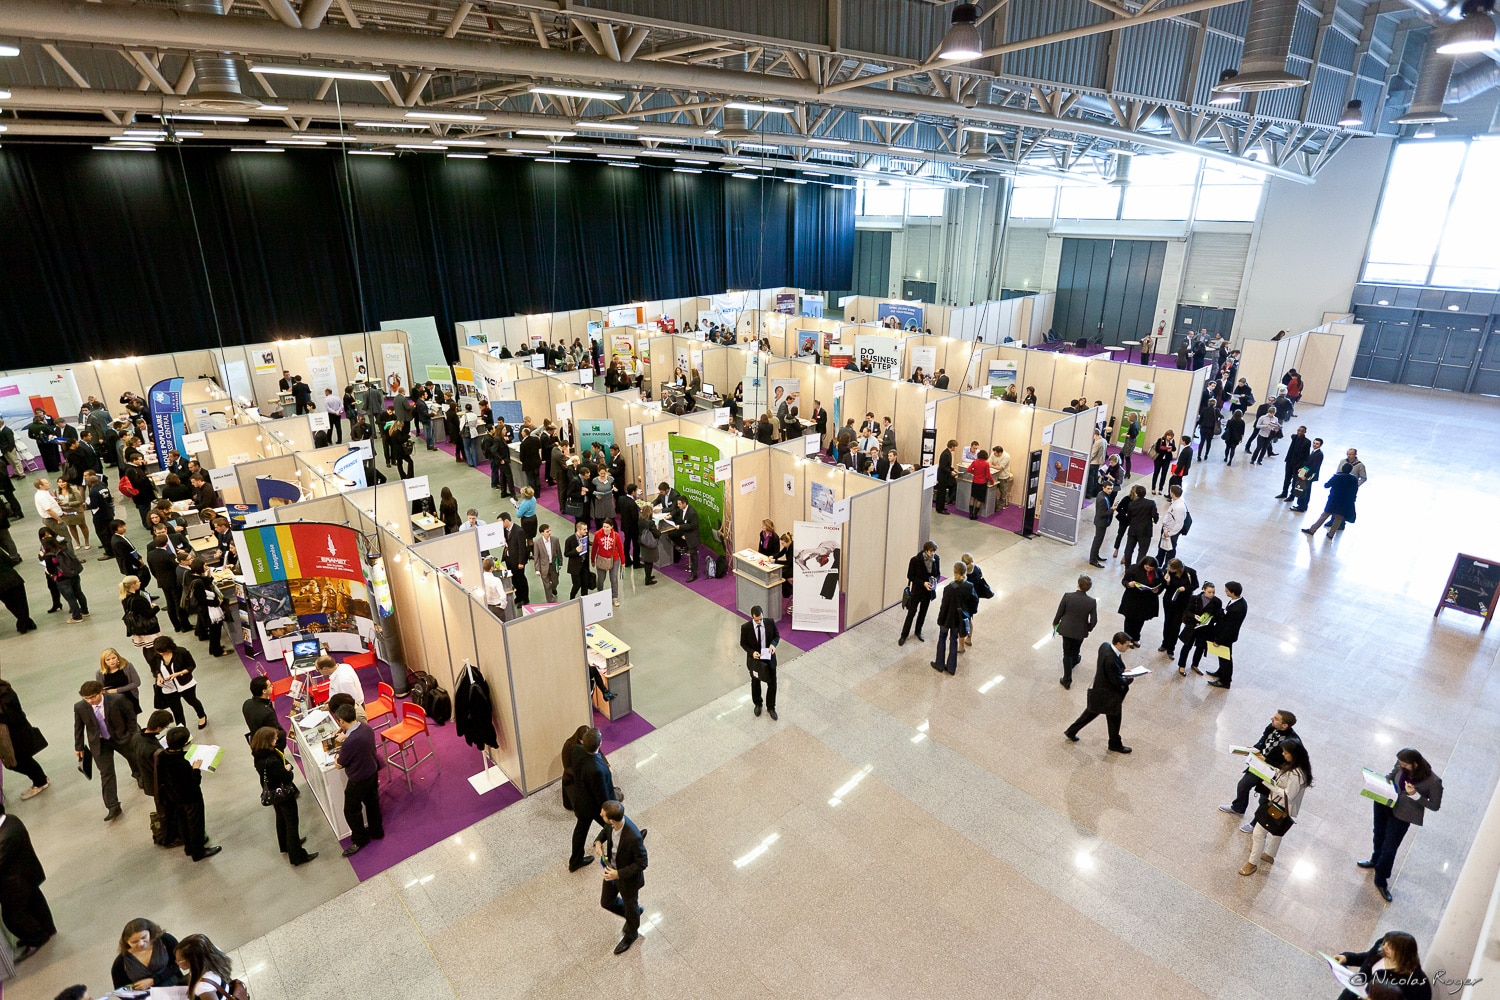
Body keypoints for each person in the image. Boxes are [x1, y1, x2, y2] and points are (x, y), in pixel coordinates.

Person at [1360, 748, 1444, 903]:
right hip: (1384, 803)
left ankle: (1381, 880)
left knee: (1390, 848)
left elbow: (1435, 805)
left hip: (1403, 814)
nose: (1401, 766)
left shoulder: (1433, 782)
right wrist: (1380, 782)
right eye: (1400, 763)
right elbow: (1392, 776)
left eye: (1405, 764)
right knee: (1378, 833)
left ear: (1415, 764)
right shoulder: (1401, 765)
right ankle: (1374, 859)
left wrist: (1415, 795)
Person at [1238, 737, 1312, 875]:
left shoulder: (1296, 774)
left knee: (1259, 833)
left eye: (1285, 752)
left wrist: (1270, 784)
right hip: (1282, 806)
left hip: (1280, 805)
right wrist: (1269, 770)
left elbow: (1289, 795)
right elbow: (1281, 774)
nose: (1283, 754)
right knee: (1277, 830)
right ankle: (1270, 855)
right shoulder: (1295, 766)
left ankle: (1252, 863)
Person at [73, 679, 143, 821]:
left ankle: (139, 775)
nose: (90, 701)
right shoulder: (80, 707)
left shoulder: (118, 699)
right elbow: (78, 727)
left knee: (133, 757)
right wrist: (78, 746)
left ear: (101, 692)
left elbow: (131, 717)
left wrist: (132, 735)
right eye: (86, 698)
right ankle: (113, 806)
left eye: (93, 697)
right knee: (106, 773)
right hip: (99, 742)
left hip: (121, 737)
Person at [1218, 710, 1300, 826]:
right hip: (1259, 765)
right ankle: (1238, 807)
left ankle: (1255, 824)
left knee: (1264, 799)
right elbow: (1263, 741)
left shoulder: (1292, 743)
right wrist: (1255, 748)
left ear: (1285, 725)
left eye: (1276, 719)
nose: (1272, 718)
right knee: (1243, 785)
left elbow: (1288, 765)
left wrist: (1266, 760)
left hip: (1274, 772)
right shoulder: (1272, 727)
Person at [252, 726, 317, 867]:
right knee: (292, 823)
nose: (277, 740)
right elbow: (286, 777)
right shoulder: (272, 761)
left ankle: (285, 845)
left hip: (273, 793)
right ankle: (297, 855)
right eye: (274, 738)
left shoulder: (258, 756)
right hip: (283, 794)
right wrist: (288, 770)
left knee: (281, 818)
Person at [0, 804, 56, 963]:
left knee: (12, 917)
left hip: (14, 885)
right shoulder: (11, 820)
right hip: (27, 875)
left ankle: (37, 938)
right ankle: (47, 929)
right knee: (35, 903)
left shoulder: (5, 837)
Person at [1063, 633, 1135, 753]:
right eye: (1127, 645)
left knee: (1091, 712)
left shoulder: (1105, 646)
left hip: (1099, 690)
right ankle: (1114, 744)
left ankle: (1071, 731)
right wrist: (1130, 678)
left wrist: (1122, 670)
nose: (1128, 648)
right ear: (1118, 644)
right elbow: (1117, 681)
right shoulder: (1111, 660)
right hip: (1109, 695)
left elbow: (1112, 670)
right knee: (1114, 719)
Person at [156, 725, 220, 860]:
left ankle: (189, 847)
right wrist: (196, 769)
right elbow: (193, 782)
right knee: (196, 824)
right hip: (190, 798)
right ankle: (198, 852)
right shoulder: (183, 762)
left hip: (174, 797)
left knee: (183, 822)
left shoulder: (162, 756)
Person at [594, 799, 648, 955]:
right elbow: (605, 830)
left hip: (627, 879)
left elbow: (642, 863)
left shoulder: (633, 837)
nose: (600, 815)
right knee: (606, 902)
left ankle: (632, 933)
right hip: (611, 871)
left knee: (630, 905)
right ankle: (634, 914)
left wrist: (618, 874)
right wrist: (598, 841)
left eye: (602, 815)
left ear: (612, 819)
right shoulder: (613, 824)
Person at [333, 702, 383, 856]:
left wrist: (336, 757)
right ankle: (376, 830)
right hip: (372, 771)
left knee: (351, 810)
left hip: (358, 779)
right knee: (372, 802)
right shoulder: (366, 728)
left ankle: (360, 838)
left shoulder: (350, 741)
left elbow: (339, 764)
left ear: (341, 721)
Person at [567, 727, 616, 871]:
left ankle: (575, 860)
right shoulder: (598, 770)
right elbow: (602, 796)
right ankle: (628, 846)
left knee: (581, 830)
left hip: (580, 799)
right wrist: (610, 811)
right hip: (594, 806)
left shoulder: (576, 750)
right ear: (600, 745)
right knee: (614, 826)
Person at [1330, 932, 1431, 999]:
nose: (1384, 946)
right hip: (1352, 993)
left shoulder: (1413, 982)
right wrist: (1348, 958)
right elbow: (1367, 957)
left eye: (1390, 946)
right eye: (1386, 941)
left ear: (1402, 953)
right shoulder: (1381, 949)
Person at [145, 636, 208, 729]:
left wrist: (180, 673)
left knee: (192, 701)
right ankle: (181, 729)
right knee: (176, 710)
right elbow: (155, 669)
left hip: (185, 683)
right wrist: (159, 676)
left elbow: (191, 665)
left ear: (169, 647)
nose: (161, 653)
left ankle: (202, 715)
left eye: (163, 651)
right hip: (168, 687)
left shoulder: (182, 652)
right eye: (159, 652)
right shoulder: (155, 656)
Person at [0, 680, 49, 798]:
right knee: (20, 761)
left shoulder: (6, 696)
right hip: (12, 735)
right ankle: (41, 779)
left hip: (17, 736)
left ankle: (41, 781)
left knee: (20, 762)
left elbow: (13, 718)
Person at [111, 917, 183, 990]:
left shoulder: (165, 940)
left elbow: (178, 963)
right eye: (134, 942)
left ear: (150, 932)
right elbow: (120, 990)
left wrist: (153, 981)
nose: (141, 944)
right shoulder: (120, 962)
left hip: (176, 987)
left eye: (144, 937)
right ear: (126, 942)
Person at [1052, 576, 1098, 690]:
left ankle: (1067, 679)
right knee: (1077, 645)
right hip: (1081, 631)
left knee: (1066, 652)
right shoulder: (1091, 601)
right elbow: (1094, 620)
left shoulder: (1068, 596)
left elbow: (1060, 612)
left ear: (1078, 584)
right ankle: (1075, 660)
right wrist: (1088, 628)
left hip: (1067, 629)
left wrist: (1055, 623)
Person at [740, 605, 780, 720]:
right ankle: (758, 703)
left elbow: (777, 636)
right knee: (755, 682)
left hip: (769, 658)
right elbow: (743, 643)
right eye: (756, 620)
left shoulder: (770, 623)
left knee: (772, 683)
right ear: (752, 617)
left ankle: (771, 707)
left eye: (760, 619)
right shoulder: (746, 628)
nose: (759, 622)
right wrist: (752, 653)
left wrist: (773, 644)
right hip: (755, 660)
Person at [931, 563, 972, 676]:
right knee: (954, 640)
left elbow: (944, 606)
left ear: (955, 572)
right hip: (958, 620)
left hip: (947, 619)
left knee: (942, 638)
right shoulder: (969, 586)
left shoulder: (949, 588)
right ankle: (951, 667)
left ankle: (939, 664)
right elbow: (971, 603)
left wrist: (940, 620)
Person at [1301, 461, 1360, 538]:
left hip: (1334, 500)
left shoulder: (1337, 477)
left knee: (1325, 515)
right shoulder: (1354, 479)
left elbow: (1326, 485)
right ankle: (1331, 534)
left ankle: (1312, 530)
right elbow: (1355, 490)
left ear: (1342, 468)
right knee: (1339, 518)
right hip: (1345, 502)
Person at [1205, 581, 1246, 689]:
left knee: (1225, 658)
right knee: (1223, 656)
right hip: (1227, 634)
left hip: (1226, 637)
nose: (1225, 591)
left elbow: (1229, 627)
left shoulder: (1236, 609)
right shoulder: (1238, 601)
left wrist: (1218, 640)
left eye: (1227, 590)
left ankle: (1225, 681)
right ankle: (1221, 672)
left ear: (1233, 592)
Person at [898, 541, 940, 645]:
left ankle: (918, 631)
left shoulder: (936, 559)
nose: (933, 553)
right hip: (917, 591)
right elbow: (910, 576)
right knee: (911, 613)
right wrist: (923, 583)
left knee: (923, 613)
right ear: (926, 550)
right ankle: (904, 634)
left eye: (934, 551)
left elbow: (938, 573)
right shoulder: (915, 560)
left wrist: (935, 580)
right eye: (931, 551)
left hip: (928, 592)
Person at [1176, 580, 1222, 676]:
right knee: (1187, 646)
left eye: (1213, 592)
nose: (1211, 594)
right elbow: (1187, 611)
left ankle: (1195, 664)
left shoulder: (1217, 602)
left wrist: (1210, 618)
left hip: (1205, 628)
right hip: (1193, 626)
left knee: (1200, 647)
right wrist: (1194, 616)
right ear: (1203, 590)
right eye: (1209, 592)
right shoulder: (1194, 599)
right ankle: (1181, 665)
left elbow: (1218, 616)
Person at [1117, 556, 1162, 648]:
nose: (1149, 569)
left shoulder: (1158, 572)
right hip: (1133, 598)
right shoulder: (1134, 569)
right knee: (1129, 620)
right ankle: (1127, 639)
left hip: (1147, 601)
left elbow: (1161, 584)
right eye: (1147, 567)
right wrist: (1129, 584)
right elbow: (1124, 581)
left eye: (1151, 568)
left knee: (1140, 620)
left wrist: (1157, 590)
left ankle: (1136, 637)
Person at [1157, 557, 1198, 657]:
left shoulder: (1190, 572)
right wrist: (1166, 582)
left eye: (1172, 569)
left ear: (1178, 568)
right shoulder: (1167, 571)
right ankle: (1164, 643)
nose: (1170, 570)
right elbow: (1165, 586)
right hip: (1169, 601)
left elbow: (1195, 585)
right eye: (1169, 568)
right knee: (1167, 622)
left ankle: (1171, 648)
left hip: (1182, 602)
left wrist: (1185, 588)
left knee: (1176, 625)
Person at [242, 676, 285, 750]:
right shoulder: (267, 713)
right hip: (269, 747)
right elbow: (275, 732)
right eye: (269, 685)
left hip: (255, 742)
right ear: (264, 691)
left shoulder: (247, 704)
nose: (272, 686)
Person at [1118, 486, 1157, 566]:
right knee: (1142, 552)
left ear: (1136, 493)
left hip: (1133, 529)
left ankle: (1127, 568)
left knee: (1129, 550)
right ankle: (1138, 569)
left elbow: (1129, 517)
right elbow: (1155, 517)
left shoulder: (1132, 504)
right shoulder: (1151, 503)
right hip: (1145, 531)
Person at [499, 512, 531, 606]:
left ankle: (525, 598)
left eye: (500, 522)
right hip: (509, 559)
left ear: (506, 521)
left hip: (517, 561)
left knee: (521, 579)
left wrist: (521, 562)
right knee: (513, 579)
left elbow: (522, 548)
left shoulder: (519, 531)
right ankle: (518, 596)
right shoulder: (505, 530)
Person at [670, 495, 701, 581]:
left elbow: (693, 525)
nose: (678, 505)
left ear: (684, 503)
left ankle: (694, 574)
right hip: (684, 530)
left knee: (693, 555)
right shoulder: (681, 509)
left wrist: (680, 527)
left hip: (692, 534)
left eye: (679, 504)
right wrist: (670, 515)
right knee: (671, 535)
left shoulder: (692, 513)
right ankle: (684, 546)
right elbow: (676, 511)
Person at [1155, 485, 1187, 565]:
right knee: (1161, 549)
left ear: (1172, 493)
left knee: (1170, 551)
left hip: (1171, 532)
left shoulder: (1179, 507)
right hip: (1167, 529)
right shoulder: (1175, 503)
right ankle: (1158, 566)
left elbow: (1179, 524)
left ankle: (1167, 569)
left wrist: (1169, 533)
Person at [1087, 481, 1115, 568]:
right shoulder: (1103, 498)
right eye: (1108, 489)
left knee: (1098, 540)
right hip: (1101, 523)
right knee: (1098, 540)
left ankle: (1096, 555)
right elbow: (1101, 513)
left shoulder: (1102, 494)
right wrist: (1112, 509)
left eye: (1111, 489)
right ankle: (1093, 559)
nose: (1110, 490)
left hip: (1101, 522)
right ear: (1103, 488)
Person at [531, 523, 561, 603]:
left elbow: (559, 552)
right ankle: (550, 601)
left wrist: (560, 563)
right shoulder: (537, 543)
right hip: (544, 567)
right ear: (542, 533)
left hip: (554, 565)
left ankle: (553, 588)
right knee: (546, 585)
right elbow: (536, 557)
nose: (549, 532)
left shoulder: (555, 540)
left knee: (555, 582)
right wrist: (537, 569)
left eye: (550, 530)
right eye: (547, 531)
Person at [565, 520, 594, 599]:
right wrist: (575, 551)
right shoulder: (570, 540)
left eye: (586, 529)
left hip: (584, 565)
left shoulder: (585, 538)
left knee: (585, 584)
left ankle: (584, 599)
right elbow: (566, 553)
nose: (586, 531)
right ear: (578, 529)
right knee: (577, 584)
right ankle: (572, 597)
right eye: (584, 529)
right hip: (575, 567)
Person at [966, 448, 993, 520]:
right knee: (979, 499)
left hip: (975, 482)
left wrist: (974, 473)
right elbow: (988, 475)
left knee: (972, 498)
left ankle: (970, 514)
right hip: (982, 483)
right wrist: (992, 481)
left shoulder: (975, 462)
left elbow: (968, 470)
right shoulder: (986, 464)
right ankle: (975, 514)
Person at [935, 439, 958, 514]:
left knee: (943, 492)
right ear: (952, 446)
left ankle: (941, 507)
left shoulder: (947, 452)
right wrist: (950, 472)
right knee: (941, 493)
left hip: (944, 475)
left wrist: (953, 469)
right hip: (942, 476)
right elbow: (943, 466)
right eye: (955, 447)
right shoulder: (946, 454)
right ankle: (939, 509)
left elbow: (947, 465)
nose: (955, 448)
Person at [1149, 431, 1175, 495]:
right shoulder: (1160, 440)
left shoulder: (1172, 441)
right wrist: (1165, 449)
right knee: (1156, 473)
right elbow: (1157, 449)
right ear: (1166, 435)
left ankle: (1160, 489)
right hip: (1159, 459)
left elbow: (1174, 449)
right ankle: (1153, 488)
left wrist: (1171, 448)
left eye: (1171, 436)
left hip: (1166, 460)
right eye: (1168, 435)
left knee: (1164, 474)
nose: (1169, 437)